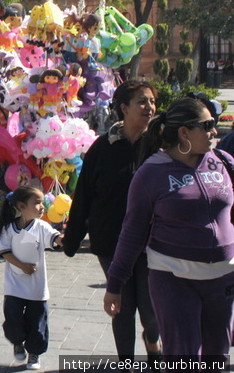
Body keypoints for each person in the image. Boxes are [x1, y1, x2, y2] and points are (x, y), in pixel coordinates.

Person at [104, 97, 234, 363]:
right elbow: (132, 233)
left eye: (215, 123)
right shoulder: (151, 173)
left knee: (217, 359)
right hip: (174, 278)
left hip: (223, 280)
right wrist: (115, 284)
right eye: (207, 125)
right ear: (184, 132)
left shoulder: (223, 161)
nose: (214, 131)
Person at [63, 80, 162, 362]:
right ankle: (127, 364)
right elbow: (83, 196)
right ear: (124, 107)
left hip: (152, 241)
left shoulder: (159, 147)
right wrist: (71, 240)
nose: (149, 107)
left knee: (151, 308)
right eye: (142, 101)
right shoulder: (103, 148)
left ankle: (152, 341)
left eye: (152, 102)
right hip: (111, 242)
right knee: (123, 304)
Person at [0, 185, 63, 370]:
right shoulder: (9, 229)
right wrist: (22, 266)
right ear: (21, 206)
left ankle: (34, 354)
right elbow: (4, 252)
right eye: (37, 203)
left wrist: (67, 239)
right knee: (13, 319)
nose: (42, 206)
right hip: (14, 286)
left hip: (36, 287)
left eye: (43, 202)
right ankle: (18, 342)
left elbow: (55, 239)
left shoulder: (42, 227)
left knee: (38, 322)